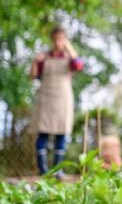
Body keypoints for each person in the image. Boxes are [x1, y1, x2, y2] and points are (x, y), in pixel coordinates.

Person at [30, 26, 84, 178]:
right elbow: (33, 76)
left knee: (61, 133)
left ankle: (58, 170)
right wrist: (35, 62)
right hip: (45, 98)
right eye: (56, 39)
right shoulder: (43, 57)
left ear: (65, 40)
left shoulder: (69, 58)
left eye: (62, 39)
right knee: (43, 134)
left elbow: (79, 65)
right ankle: (43, 170)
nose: (58, 42)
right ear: (52, 40)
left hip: (63, 99)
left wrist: (68, 47)